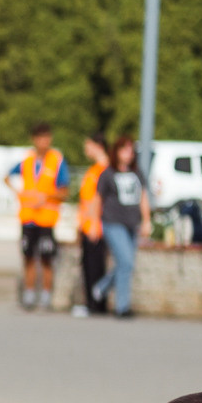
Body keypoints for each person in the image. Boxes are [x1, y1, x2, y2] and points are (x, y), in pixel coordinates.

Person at [6, 122, 67, 311]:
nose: (43, 141)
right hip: (28, 217)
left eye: (46, 137)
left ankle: (46, 296)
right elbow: (7, 176)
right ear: (34, 139)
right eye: (40, 137)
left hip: (46, 219)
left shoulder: (56, 160)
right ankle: (30, 294)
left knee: (47, 258)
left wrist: (46, 197)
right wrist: (19, 193)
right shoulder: (28, 161)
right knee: (29, 258)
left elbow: (64, 191)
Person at [94, 134, 150, 319]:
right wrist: (94, 223)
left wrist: (146, 221)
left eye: (130, 150)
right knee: (126, 262)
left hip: (131, 223)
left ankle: (101, 287)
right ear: (116, 152)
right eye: (124, 150)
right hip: (113, 222)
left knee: (126, 264)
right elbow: (97, 200)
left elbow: (143, 197)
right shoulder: (108, 173)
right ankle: (122, 307)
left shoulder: (136, 173)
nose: (128, 154)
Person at [73, 133, 110, 318]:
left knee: (95, 266)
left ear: (98, 145)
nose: (85, 149)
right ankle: (91, 303)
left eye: (88, 144)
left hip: (96, 226)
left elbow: (100, 201)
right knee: (88, 264)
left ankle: (96, 305)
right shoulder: (94, 169)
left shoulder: (104, 170)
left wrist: (95, 223)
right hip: (88, 225)